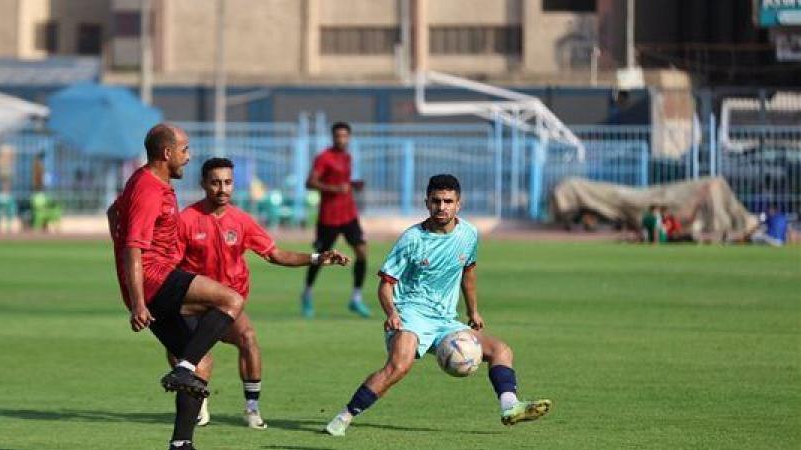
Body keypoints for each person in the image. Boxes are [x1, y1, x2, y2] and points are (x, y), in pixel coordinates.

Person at [323, 174, 551, 437]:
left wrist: (473, 310)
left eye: (448, 201)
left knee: (501, 349)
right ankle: (344, 417)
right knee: (399, 366)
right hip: (410, 313)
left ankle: (509, 407)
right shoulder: (412, 239)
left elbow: (468, 273)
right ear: (426, 203)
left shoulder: (468, 234)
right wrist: (392, 313)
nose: (441, 207)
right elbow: (385, 285)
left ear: (458, 204)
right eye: (436, 201)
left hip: (444, 320)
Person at [176, 157, 350, 430]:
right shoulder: (186, 220)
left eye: (228, 182)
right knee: (192, 357)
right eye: (215, 183)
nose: (223, 189)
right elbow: (169, 264)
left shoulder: (242, 221)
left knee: (248, 337)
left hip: (227, 304)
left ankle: (251, 409)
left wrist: (317, 258)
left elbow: (276, 254)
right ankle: (199, 402)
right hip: (193, 303)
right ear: (203, 184)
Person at [108, 124, 247, 450]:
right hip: (155, 279)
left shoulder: (146, 181)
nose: (189, 156)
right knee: (230, 300)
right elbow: (133, 246)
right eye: (184, 150)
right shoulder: (148, 190)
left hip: (150, 284)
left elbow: (113, 212)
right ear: (167, 153)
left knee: (203, 363)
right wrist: (138, 301)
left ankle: (181, 443)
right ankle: (182, 369)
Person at [300, 121, 370, 318]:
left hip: (348, 214)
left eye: (345, 136)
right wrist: (334, 189)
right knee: (321, 257)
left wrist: (353, 184)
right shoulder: (324, 158)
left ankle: (356, 298)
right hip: (329, 217)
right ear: (332, 137)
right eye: (338, 136)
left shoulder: (347, 157)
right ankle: (307, 293)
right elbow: (310, 182)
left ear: (349, 137)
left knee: (362, 252)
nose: (341, 139)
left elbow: (342, 183)